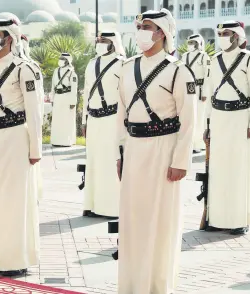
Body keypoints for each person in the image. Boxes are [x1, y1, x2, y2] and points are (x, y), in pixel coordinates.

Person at [117, 9, 196, 293]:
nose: (140, 31)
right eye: (138, 26)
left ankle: (156, 286)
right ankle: (131, 284)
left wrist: (181, 161)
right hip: (134, 149)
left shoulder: (178, 70)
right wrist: (120, 153)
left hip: (164, 151)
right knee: (132, 219)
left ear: (161, 32)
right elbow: (121, 114)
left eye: (146, 26)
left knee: (160, 222)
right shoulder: (127, 67)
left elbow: (188, 121)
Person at [0, 18, 41, 276]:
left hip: (16, 137)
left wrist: (35, 149)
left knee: (15, 201)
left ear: (10, 37)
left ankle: (15, 259)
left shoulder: (25, 69)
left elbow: (35, 110)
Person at [204, 21, 250, 235]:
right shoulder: (214, 59)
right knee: (218, 171)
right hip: (218, 118)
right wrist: (207, 124)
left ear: (236, 36)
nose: (221, 36)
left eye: (226, 33)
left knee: (238, 170)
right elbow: (210, 94)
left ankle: (238, 220)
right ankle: (216, 219)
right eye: (218, 33)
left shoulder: (249, 59)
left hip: (240, 119)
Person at [81, 31, 125, 218]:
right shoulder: (92, 63)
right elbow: (87, 94)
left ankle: (111, 208)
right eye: (98, 41)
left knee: (110, 163)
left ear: (113, 43)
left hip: (112, 119)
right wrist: (84, 120)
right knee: (93, 163)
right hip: (94, 119)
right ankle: (92, 205)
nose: (100, 44)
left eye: (104, 41)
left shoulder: (123, 64)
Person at [182, 34, 210, 153]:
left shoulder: (204, 56)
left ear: (198, 43)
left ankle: (198, 143)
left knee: (199, 117)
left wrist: (205, 92)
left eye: (193, 42)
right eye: (189, 42)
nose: (190, 45)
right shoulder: (184, 56)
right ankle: (189, 144)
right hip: (187, 88)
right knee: (187, 117)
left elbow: (207, 75)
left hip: (199, 90)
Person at [50, 53, 78, 147]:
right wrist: (52, 98)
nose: (60, 60)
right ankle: (56, 141)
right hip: (57, 97)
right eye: (60, 58)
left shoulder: (71, 73)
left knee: (67, 120)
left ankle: (67, 141)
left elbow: (74, 89)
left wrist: (73, 102)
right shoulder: (56, 71)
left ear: (67, 60)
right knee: (57, 120)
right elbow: (52, 86)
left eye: (62, 58)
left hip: (67, 97)